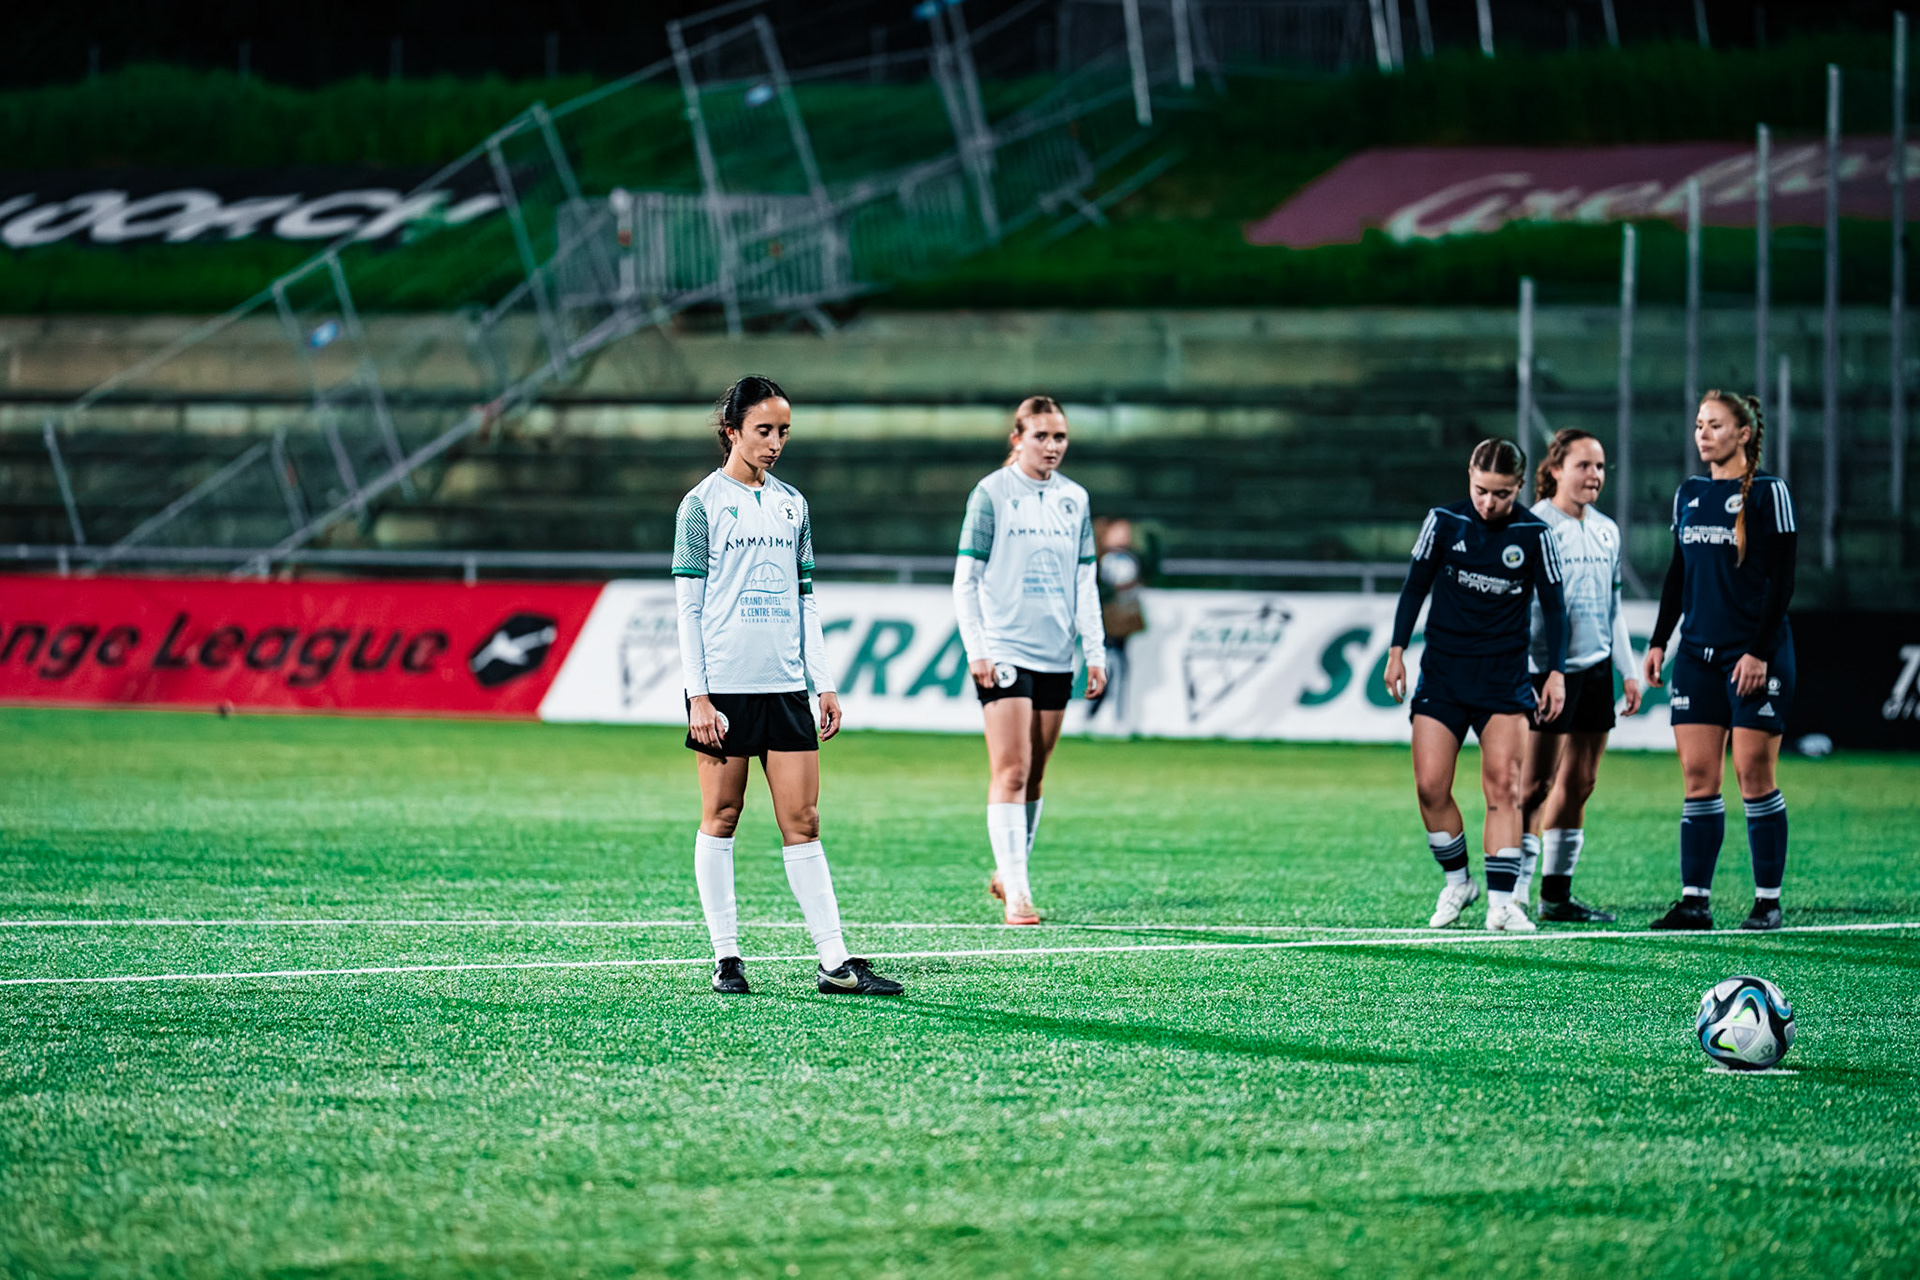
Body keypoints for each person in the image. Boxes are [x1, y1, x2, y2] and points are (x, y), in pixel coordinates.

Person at [673, 375, 904, 995]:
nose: (775, 443)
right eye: (763, 431)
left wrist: (821, 684)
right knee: (722, 816)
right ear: (732, 431)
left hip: (785, 688)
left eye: (783, 432)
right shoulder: (700, 504)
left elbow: (805, 602)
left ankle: (835, 962)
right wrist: (699, 695)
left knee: (803, 820)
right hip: (723, 688)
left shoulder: (793, 505)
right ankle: (726, 957)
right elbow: (688, 609)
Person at [1384, 439, 1568, 932]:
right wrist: (1397, 650)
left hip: (1503, 681)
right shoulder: (1444, 522)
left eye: (1502, 494)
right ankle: (1459, 882)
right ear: (1469, 476)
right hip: (1443, 677)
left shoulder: (1535, 533)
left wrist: (1556, 671)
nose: (1490, 503)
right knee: (1429, 787)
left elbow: (1554, 607)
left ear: (1519, 488)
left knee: (1504, 789)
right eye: (1482, 491)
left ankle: (1502, 904)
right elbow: (1415, 585)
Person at [1644, 391, 1797, 932]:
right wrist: (1660, 640)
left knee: (1753, 773)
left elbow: (1782, 582)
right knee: (1698, 776)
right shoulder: (1688, 493)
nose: (1702, 433)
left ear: (1744, 433)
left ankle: (1767, 901)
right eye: (1699, 424)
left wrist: (1758, 650)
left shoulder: (1769, 493)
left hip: (1755, 655)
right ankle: (1694, 903)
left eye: (1715, 425)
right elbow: (1677, 574)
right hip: (1699, 657)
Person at [952, 394, 1108, 925]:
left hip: (1056, 653)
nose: (1052, 446)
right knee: (1012, 770)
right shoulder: (992, 493)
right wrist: (978, 647)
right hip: (1005, 648)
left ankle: (1009, 870)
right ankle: (1018, 892)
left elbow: (1085, 579)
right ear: (1017, 438)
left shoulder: (1075, 500)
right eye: (1041, 436)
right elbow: (965, 579)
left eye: (1059, 436)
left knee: (1036, 774)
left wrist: (1094, 649)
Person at [1513, 430, 1643, 924]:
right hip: (1547, 673)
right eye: (1584, 465)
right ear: (1556, 470)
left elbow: (1613, 608)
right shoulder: (1534, 527)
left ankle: (1556, 895)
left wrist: (1627, 672)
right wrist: (1542, 668)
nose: (1595, 476)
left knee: (1582, 782)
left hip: (1594, 672)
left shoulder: (1607, 530)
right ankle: (1515, 896)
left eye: (1601, 467)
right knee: (1535, 785)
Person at [1087, 517, 1148, 735]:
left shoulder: (1133, 557)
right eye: (1119, 531)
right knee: (1105, 668)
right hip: (1104, 623)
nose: (1125, 535)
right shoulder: (1098, 557)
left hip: (1122, 625)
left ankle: (1115, 717)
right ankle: (1093, 713)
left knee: (1119, 669)